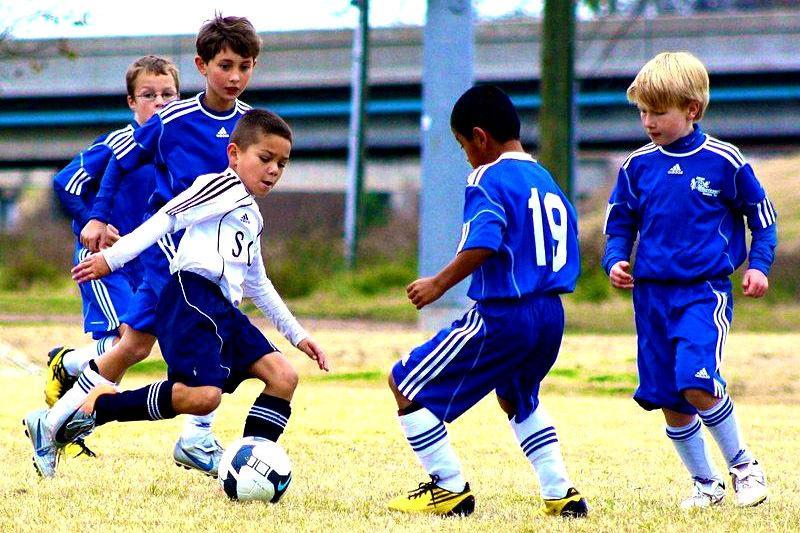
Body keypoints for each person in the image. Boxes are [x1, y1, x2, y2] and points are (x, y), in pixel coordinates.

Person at [26, 109, 329, 481]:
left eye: (282, 164)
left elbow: (257, 282)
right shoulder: (218, 184)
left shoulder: (252, 212)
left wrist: (299, 336)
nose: (273, 170)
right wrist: (111, 258)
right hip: (190, 298)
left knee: (283, 377)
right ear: (234, 154)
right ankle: (103, 407)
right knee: (204, 396)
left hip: (223, 308)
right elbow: (165, 218)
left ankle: (250, 467)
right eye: (265, 159)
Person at [40, 14, 262, 477]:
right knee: (136, 345)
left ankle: (59, 420)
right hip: (166, 256)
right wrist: (96, 217)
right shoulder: (173, 121)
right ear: (203, 66)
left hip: (213, 260)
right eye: (226, 65)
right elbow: (117, 164)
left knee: (137, 349)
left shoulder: (250, 125)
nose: (236, 76)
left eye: (245, 65)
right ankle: (60, 419)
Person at [386, 85, 589, 518]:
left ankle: (448, 489)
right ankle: (561, 493)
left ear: (479, 138)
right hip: (551, 313)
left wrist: (439, 284)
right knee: (518, 396)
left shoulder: (487, 176)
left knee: (404, 382)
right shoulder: (545, 179)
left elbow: (484, 240)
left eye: (463, 147)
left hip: (505, 313)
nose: (466, 157)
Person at [602, 51, 776, 509]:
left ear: (692, 110)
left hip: (704, 292)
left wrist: (758, 264)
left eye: (658, 112)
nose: (648, 121)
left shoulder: (725, 160)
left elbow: (764, 220)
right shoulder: (636, 166)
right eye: (642, 111)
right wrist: (615, 258)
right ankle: (706, 483)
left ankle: (743, 465)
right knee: (669, 397)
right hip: (651, 296)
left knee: (695, 381)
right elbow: (620, 222)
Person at [48, 55, 181, 459]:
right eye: (148, 95)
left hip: (147, 264)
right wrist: (94, 221)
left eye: (168, 94)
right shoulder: (117, 144)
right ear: (130, 102)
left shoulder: (176, 147)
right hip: (104, 262)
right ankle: (67, 379)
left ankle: (69, 369)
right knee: (124, 342)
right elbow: (65, 182)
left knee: (137, 346)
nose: (158, 103)